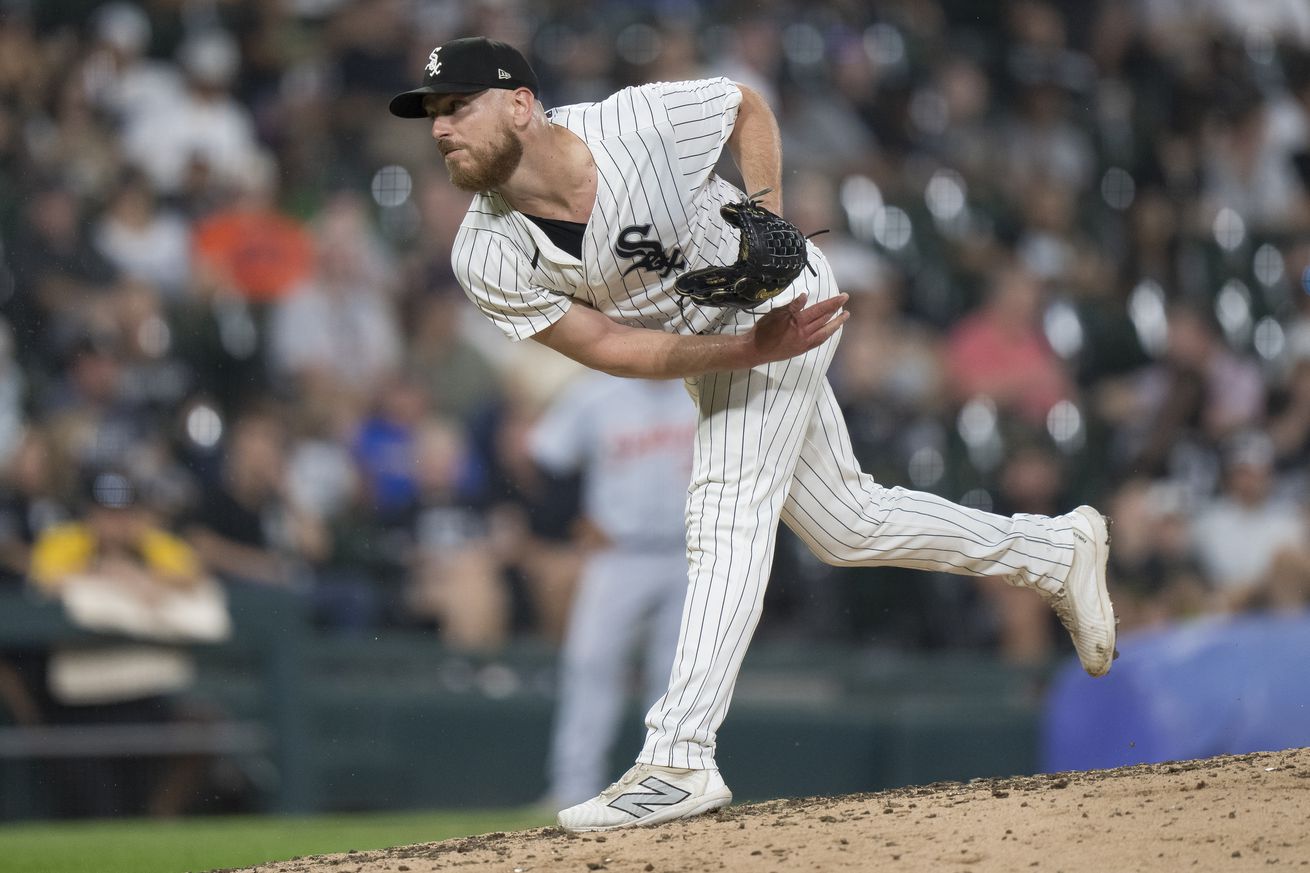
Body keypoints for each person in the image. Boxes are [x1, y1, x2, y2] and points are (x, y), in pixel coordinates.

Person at [388, 36, 1117, 833]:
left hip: (781, 301)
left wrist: (765, 215)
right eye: (432, 113)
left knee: (725, 503)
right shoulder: (483, 250)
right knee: (848, 523)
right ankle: (1052, 551)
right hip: (729, 344)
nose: (440, 128)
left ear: (521, 104)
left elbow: (744, 105)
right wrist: (740, 352)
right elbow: (605, 347)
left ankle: (677, 757)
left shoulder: (635, 124)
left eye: (458, 105)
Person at [529, 372, 697, 809]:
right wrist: (571, 520)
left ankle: (668, 787)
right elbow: (547, 458)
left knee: (677, 675)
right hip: (619, 554)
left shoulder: (708, 387)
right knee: (589, 664)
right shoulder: (597, 392)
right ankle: (572, 787)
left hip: (692, 551)